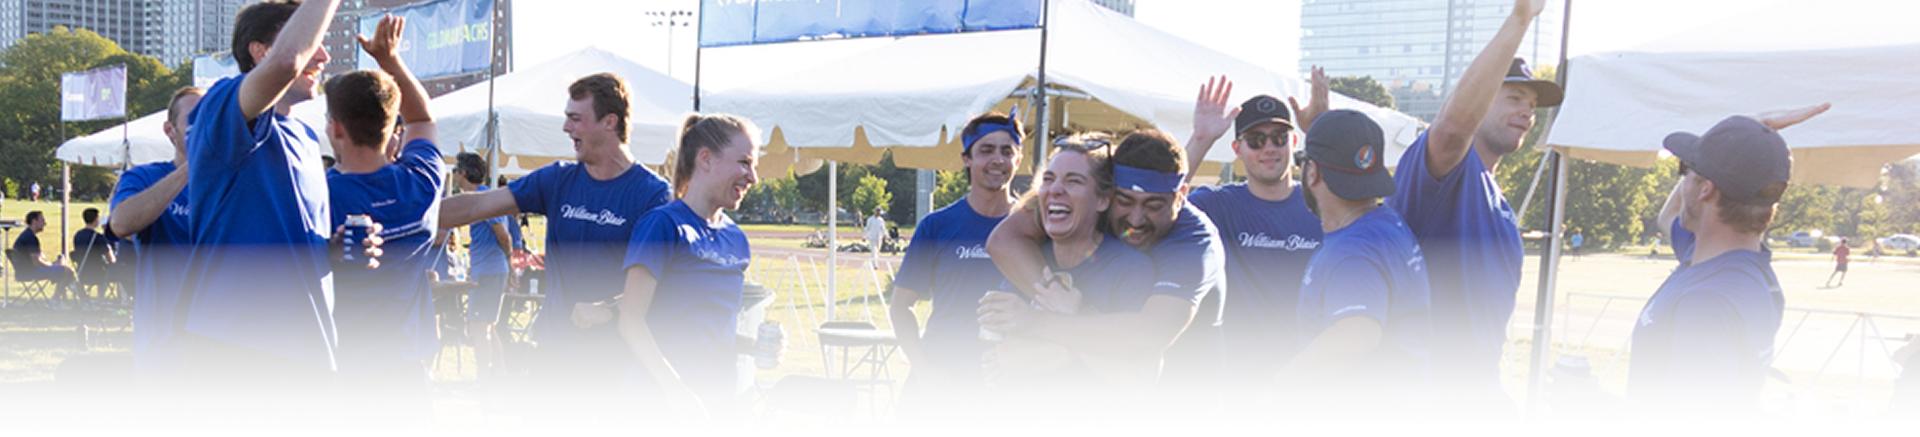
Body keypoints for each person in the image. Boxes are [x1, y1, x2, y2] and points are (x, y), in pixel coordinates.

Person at [436, 72, 672, 408]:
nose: (566, 128)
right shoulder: (558, 179)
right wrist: (408, 217)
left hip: (614, 365)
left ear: (609, 122)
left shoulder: (653, 195)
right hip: (553, 353)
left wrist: (607, 309)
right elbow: (476, 204)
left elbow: (666, 284)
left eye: (575, 119)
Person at [1382, 0, 1554, 402]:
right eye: (1514, 98)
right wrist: (1520, 19)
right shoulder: (1446, 170)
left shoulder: (1496, 199)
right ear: (1481, 97)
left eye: (1531, 105)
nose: (1527, 112)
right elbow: (1453, 128)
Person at [987, 130, 1226, 402]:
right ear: (1109, 197)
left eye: (1154, 205)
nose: (1135, 219)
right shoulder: (1076, 217)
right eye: (1125, 201)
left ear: (1180, 197)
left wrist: (1046, 320)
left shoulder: (1192, 242)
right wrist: (1053, 290)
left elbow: (1149, 337)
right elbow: (1002, 240)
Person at [178, 0, 343, 385]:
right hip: (237, 347)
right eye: (313, 40)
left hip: (307, 349)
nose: (324, 53)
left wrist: (332, 248)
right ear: (260, 51)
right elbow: (288, 62)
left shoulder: (304, 136)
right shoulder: (222, 103)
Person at [1630, 106, 1827, 411]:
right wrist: (1749, 133)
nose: (1682, 183)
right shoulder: (1718, 262)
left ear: (1705, 190)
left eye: (1687, 173)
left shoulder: (1709, 299)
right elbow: (1668, 216)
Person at [976, 133, 1161, 406]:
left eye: (1073, 181)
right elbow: (1003, 360)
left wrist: (1046, 326)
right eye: (1048, 180)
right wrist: (1092, 341)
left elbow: (1135, 376)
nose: (1055, 190)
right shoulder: (1026, 260)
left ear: (1103, 200)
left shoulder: (1130, 269)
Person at [321, 15, 443, 395]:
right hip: (409, 371)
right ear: (392, 126)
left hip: (342, 366)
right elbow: (423, 117)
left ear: (336, 128)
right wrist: (390, 60)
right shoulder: (420, 182)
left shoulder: (315, 197)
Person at [1182, 73, 1326, 383]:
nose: (1269, 148)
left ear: (1294, 141)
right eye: (1256, 140)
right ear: (1237, 148)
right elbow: (1163, 200)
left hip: (1308, 376)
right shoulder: (1218, 205)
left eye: (1279, 137)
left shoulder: (1324, 205)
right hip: (1237, 377)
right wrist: (1202, 139)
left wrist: (1322, 133)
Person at [1282, 110, 1432, 408]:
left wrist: (1278, 387)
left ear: (1312, 173)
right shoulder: (1386, 222)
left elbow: (1357, 333)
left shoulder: (1352, 252)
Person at [616, 113, 760, 418]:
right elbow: (631, 320)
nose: (753, 177)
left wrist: (755, 345)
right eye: (744, 162)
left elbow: (712, 326)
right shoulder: (662, 225)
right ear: (706, 159)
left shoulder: (736, 238)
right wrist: (676, 391)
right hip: (658, 406)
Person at [888, 113, 1023, 405]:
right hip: (940, 379)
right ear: (967, 159)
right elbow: (900, 306)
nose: (998, 160)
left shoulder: (1032, 227)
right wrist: (923, 370)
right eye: (986, 150)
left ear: (1019, 160)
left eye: (1007, 151)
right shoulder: (937, 225)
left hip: (1003, 384)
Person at [105, 86, 201, 377]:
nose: (204, 127)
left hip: (223, 342)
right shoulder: (145, 177)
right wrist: (192, 167)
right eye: (194, 120)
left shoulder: (234, 183)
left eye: (210, 119)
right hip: (164, 344)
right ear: (170, 130)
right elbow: (120, 223)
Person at [452, 152, 513, 379]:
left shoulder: (483, 198)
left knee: (478, 327)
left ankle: (483, 378)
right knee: (488, 326)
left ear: (464, 173)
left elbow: (503, 235)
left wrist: (508, 260)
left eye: (456, 171)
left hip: (489, 270)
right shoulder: (487, 196)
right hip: (490, 269)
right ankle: (499, 374)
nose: (455, 177)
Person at [10, 211, 77, 299]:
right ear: (34, 221)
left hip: (23, 271)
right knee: (66, 271)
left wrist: (53, 265)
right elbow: (36, 262)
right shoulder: (30, 238)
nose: (45, 223)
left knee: (63, 270)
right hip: (29, 272)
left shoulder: (26, 235)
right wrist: (52, 266)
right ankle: (58, 298)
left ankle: (70, 289)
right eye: (42, 220)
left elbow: (38, 259)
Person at [72, 208, 116, 301]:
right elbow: (111, 259)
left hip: (82, 272)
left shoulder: (77, 235)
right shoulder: (98, 237)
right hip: (99, 273)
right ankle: (101, 298)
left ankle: (83, 297)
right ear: (96, 219)